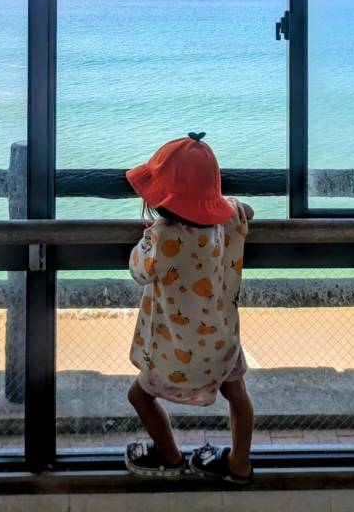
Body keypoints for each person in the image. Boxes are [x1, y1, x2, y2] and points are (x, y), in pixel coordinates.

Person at [123, 131, 255, 484]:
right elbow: (247, 211)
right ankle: (240, 462)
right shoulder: (226, 220)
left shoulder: (164, 236)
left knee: (139, 395)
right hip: (221, 342)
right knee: (237, 395)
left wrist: (148, 237)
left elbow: (140, 269)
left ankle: (170, 455)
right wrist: (224, 203)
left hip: (175, 349)